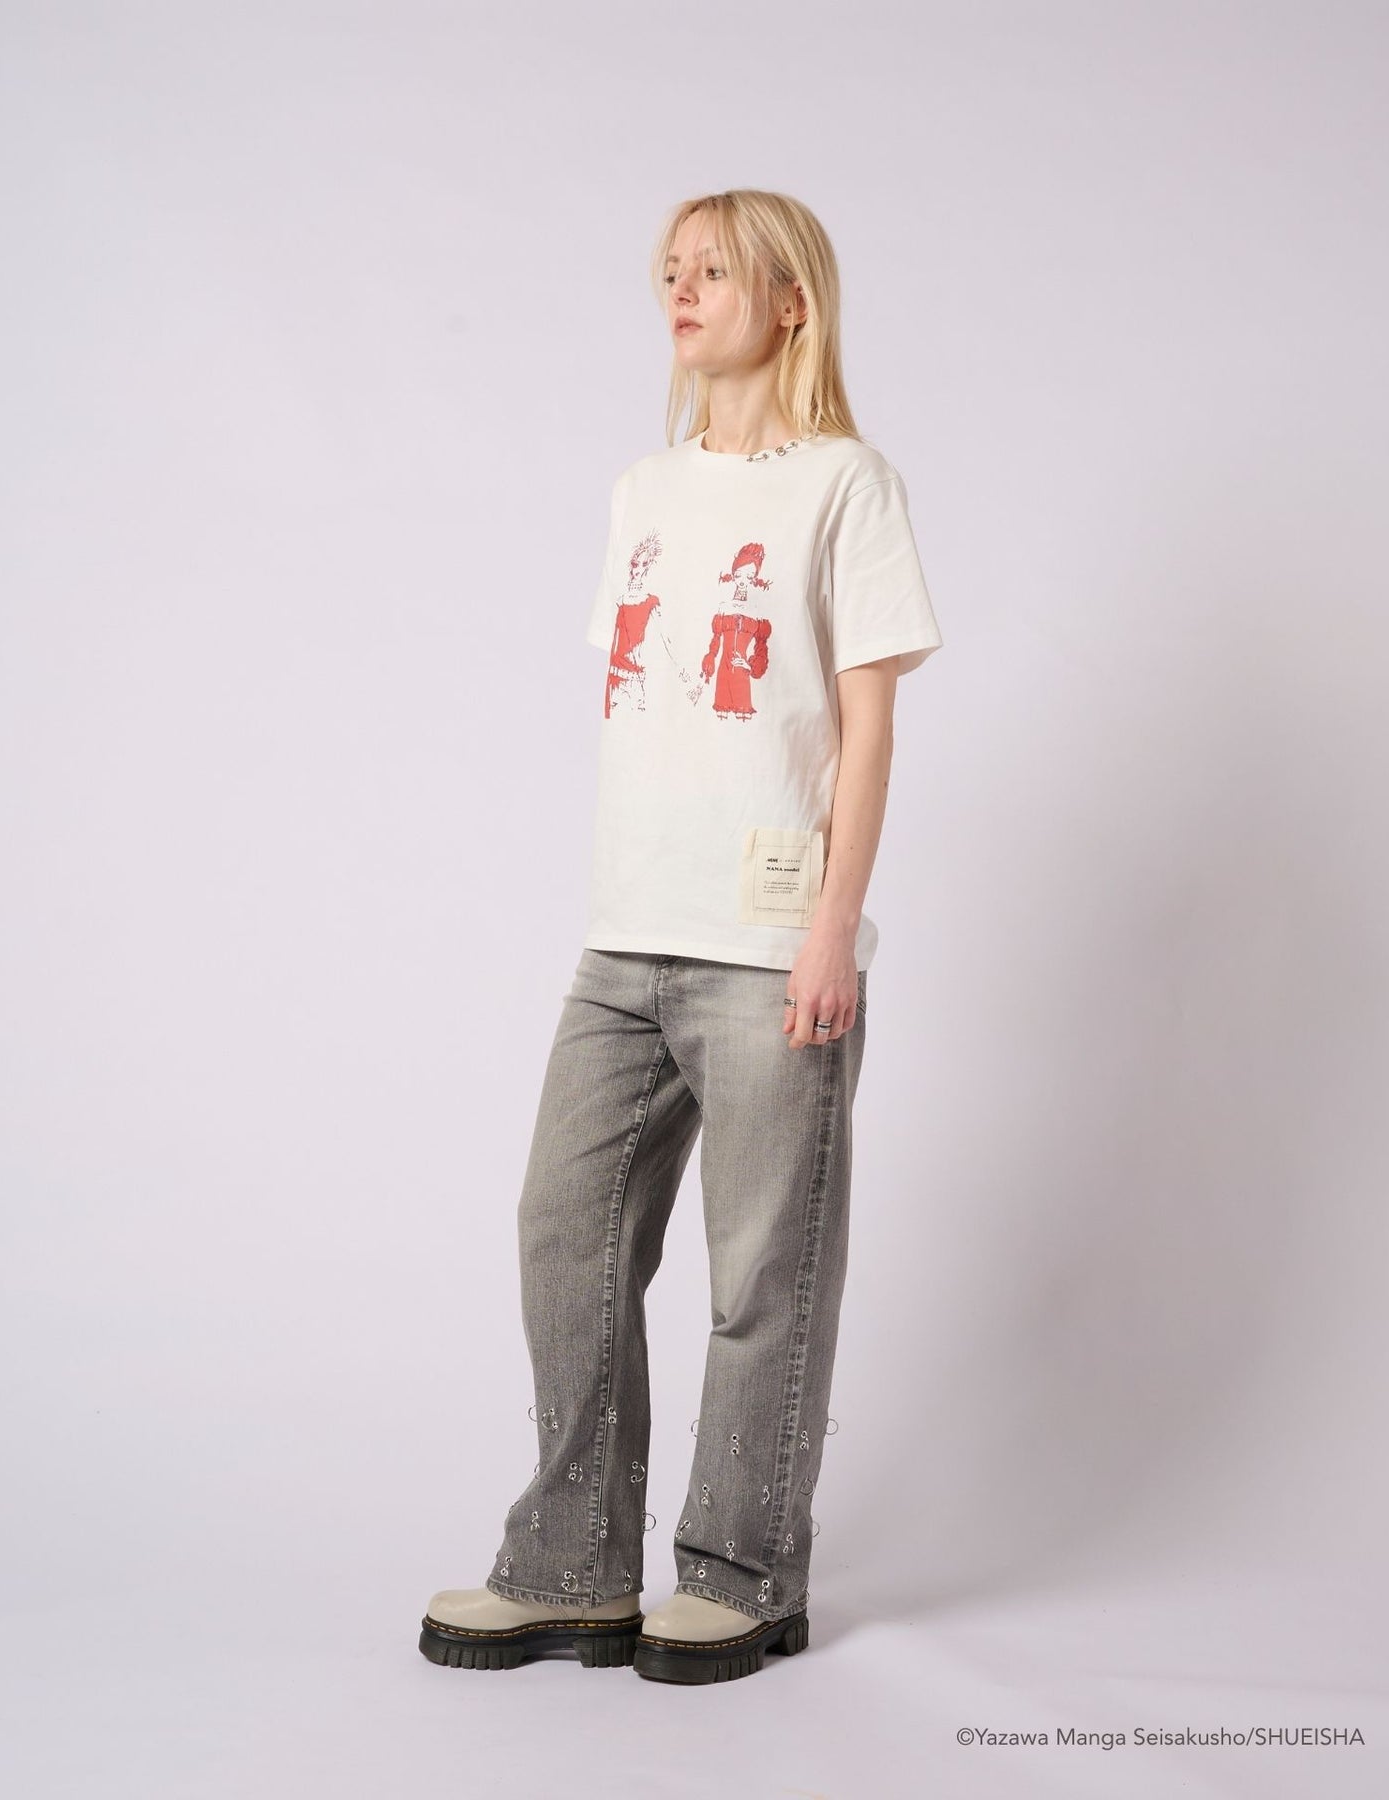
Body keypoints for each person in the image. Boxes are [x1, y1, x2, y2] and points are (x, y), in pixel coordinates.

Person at [419, 188, 943, 1685]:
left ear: (791, 302)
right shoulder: (643, 491)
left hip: (771, 944)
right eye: (670, 269)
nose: (682, 289)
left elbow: (865, 727)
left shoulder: (847, 484)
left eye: (715, 269)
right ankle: (573, 1567)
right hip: (624, 939)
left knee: (763, 1274)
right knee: (564, 1233)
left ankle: (743, 1574)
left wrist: (833, 929)